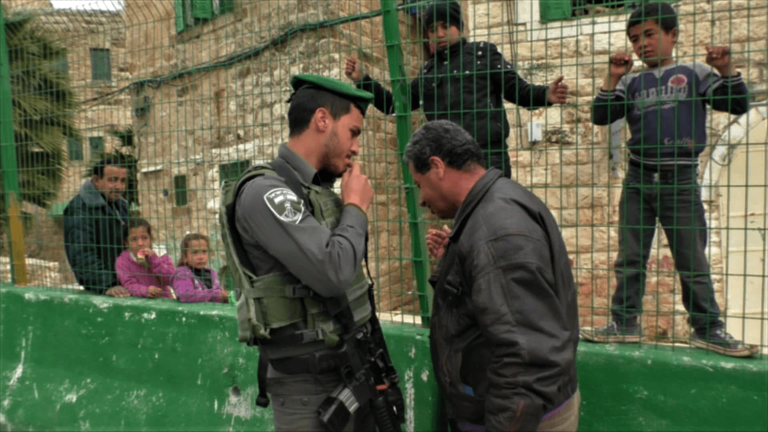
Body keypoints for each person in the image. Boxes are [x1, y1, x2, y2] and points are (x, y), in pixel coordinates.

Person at [221, 74, 403, 432]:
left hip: (350, 368)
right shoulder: (267, 192)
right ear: (323, 120)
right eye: (353, 132)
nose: (356, 148)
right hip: (310, 392)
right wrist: (355, 208)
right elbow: (332, 272)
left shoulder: (313, 191)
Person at [583, 2, 756, 357]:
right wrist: (612, 78)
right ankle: (624, 324)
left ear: (672, 34)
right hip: (638, 179)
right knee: (630, 258)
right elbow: (602, 115)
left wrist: (725, 69)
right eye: (634, 39)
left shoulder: (695, 73)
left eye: (648, 35)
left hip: (680, 181)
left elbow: (737, 104)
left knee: (692, 261)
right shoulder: (631, 82)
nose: (641, 45)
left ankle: (709, 329)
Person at [406, 120, 580, 431]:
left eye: (420, 184)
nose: (421, 199)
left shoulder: (495, 230)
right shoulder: (494, 208)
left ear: (437, 166)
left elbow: (525, 357)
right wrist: (457, 259)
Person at [344, 0, 568, 178]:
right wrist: (363, 79)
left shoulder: (483, 55)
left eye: (445, 26)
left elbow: (517, 90)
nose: (439, 34)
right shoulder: (427, 72)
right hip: (448, 163)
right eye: (432, 29)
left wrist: (545, 94)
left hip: (487, 157)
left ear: (459, 28)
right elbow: (394, 106)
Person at [63, 158, 131, 298]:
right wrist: (107, 285)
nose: (118, 186)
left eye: (122, 181)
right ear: (96, 181)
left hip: (125, 286)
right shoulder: (79, 209)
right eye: (112, 180)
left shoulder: (121, 206)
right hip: (104, 291)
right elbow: (81, 253)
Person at [115, 218, 175, 299]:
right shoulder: (122, 261)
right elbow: (129, 284)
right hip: (140, 303)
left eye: (144, 238)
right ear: (126, 242)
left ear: (150, 239)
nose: (140, 243)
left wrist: (154, 260)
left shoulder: (160, 253)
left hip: (165, 300)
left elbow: (171, 278)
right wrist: (145, 291)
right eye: (134, 239)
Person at [171, 233, 229, 304]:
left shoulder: (212, 274)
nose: (201, 257)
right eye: (195, 252)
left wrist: (224, 296)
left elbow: (218, 293)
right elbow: (185, 295)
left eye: (204, 252)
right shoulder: (182, 274)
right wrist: (215, 295)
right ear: (185, 257)